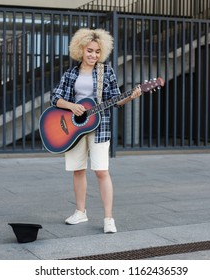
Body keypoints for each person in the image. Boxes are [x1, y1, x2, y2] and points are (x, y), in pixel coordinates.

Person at [50, 28, 142, 233]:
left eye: (97, 51)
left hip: (99, 128)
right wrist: (71, 106)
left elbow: (116, 100)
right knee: (78, 170)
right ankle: (80, 212)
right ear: (80, 49)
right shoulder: (71, 73)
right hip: (73, 129)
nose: (93, 55)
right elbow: (55, 98)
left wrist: (131, 96)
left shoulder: (106, 72)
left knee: (101, 171)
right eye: (89, 50)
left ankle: (109, 218)